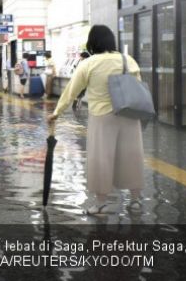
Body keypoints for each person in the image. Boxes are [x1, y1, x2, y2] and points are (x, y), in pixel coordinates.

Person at [47, 25, 144, 214]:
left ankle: (100, 204)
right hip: (129, 114)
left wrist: (56, 112)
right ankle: (135, 200)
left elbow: (71, 92)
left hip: (102, 117)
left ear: (92, 43)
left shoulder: (89, 64)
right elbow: (138, 86)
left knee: (101, 158)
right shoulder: (128, 60)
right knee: (132, 156)